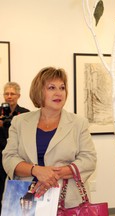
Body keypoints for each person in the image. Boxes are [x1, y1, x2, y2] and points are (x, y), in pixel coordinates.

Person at [2, 67, 97, 209]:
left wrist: (52, 175)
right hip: (25, 198)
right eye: (51, 88)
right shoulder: (20, 121)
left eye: (62, 88)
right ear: (39, 91)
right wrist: (36, 171)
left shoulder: (79, 123)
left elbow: (89, 159)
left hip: (67, 200)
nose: (58, 93)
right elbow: (9, 158)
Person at [0, 82, 30, 212]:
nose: (9, 96)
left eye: (12, 93)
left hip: (18, 159)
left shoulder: (25, 114)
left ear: (18, 96)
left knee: (20, 190)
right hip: (0, 157)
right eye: (6, 93)